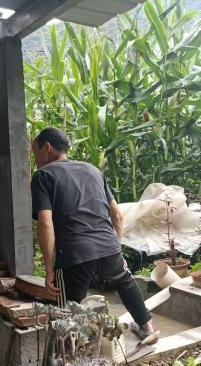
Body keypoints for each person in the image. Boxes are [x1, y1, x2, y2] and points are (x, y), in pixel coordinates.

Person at [30, 127, 157, 343]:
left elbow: (45, 223)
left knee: (67, 308)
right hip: (108, 245)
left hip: (75, 252)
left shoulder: (43, 176)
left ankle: (69, 349)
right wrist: (117, 248)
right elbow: (117, 215)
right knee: (125, 282)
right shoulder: (92, 170)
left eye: (36, 152)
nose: (36, 159)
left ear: (47, 148)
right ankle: (148, 329)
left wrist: (49, 269)